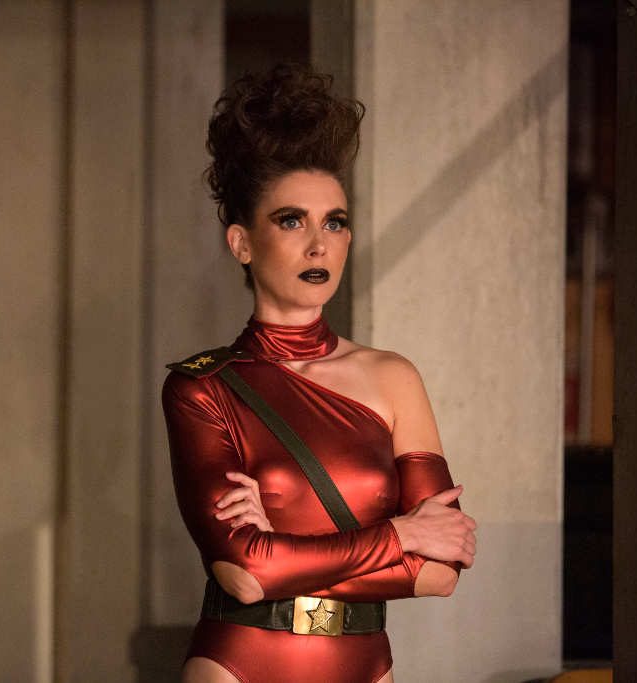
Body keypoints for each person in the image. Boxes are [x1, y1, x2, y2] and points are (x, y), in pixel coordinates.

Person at [161, 63, 478, 683]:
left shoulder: (393, 377)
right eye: (291, 220)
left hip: (366, 665)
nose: (319, 244)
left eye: (335, 221)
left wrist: (282, 553)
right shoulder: (202, 387)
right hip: (240, 663)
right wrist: (402, 534)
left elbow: (441, 572)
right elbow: (243, 574)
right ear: (241, 243)